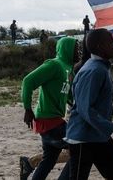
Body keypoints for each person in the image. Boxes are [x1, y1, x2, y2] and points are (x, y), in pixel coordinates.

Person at [65, 28, 113, 180]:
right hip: (83, 138)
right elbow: (86, 109)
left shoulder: (101, 67)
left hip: (98, 135)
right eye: (110, 42)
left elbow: (97, 103)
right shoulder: (94, 70)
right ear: (100, 46)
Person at [21, 37, 80, 180]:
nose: (79, 52)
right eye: (76, 48)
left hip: (54, 121)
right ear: (67, 49)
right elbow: (28, 81)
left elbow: (69, 96)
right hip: (50, 121)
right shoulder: (54, 65)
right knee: (79, 150)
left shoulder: (68, 69)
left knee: (49, 159)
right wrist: (27, 108)